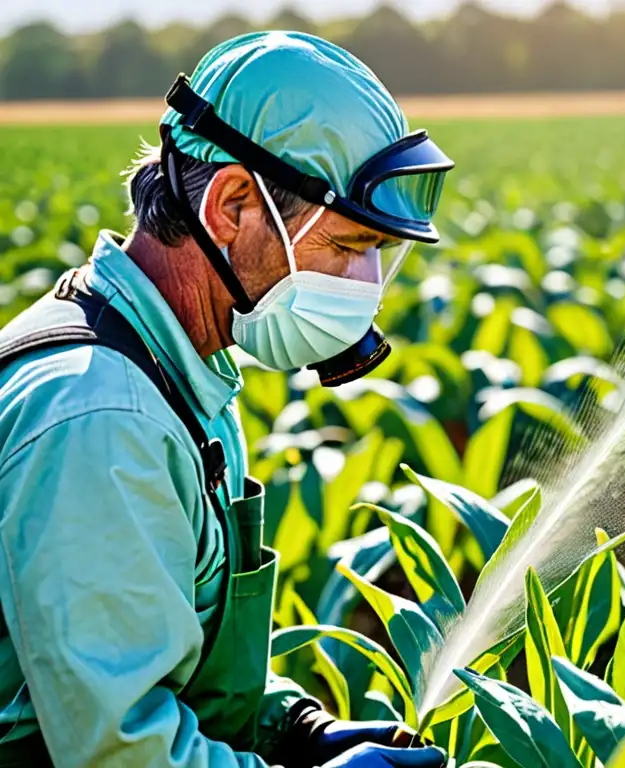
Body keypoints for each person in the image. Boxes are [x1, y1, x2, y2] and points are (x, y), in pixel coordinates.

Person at [0, 31, 452, 768]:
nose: (365, 284)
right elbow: (121, 751)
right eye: (344, 246)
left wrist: (295, 728)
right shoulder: (102, 417)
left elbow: (170, 650)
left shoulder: (173, 370)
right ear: (233, 205)